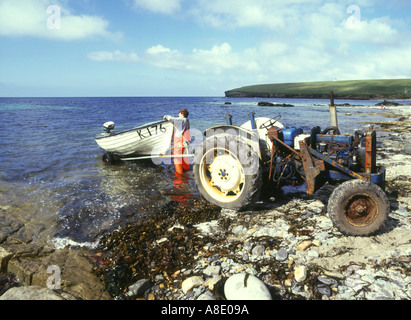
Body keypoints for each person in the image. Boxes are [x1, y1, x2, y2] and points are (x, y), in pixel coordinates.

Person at [163, 109, 191, 174]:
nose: (178, 115)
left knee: (177, 157)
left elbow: (172, 119)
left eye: (179, 114)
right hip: (186, 140)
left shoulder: (181, 120)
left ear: (182, 114)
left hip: (179, 140)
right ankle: (186, 169)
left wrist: (166, 116)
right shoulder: (187, 120)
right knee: (183, 155)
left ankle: (179, 174)